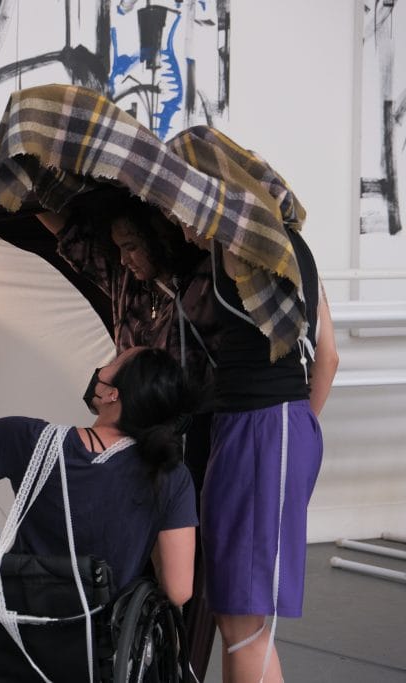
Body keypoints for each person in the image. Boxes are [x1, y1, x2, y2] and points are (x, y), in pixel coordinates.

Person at [39, 187, 221, 679]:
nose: (125, 257)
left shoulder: (197, 287)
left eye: (133, 245)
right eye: (117, 246)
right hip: (122, 446)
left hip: (180, 447)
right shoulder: (124, 280)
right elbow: (64, 228)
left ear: (160, 239)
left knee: (176, 577)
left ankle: (173, 664)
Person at [0, 346, 198, 608]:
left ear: (113, 395)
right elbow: (179, 590)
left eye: (113, 363)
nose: (101, 369)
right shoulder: (171, 475)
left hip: (19, 624)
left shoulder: (31, 439)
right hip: (103, 644)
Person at [193, 229, 338, 682]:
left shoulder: (245, 245)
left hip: (263, 428)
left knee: (245, 623)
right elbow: (327, 357)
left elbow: (326, 358)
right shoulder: (291, 250)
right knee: (233, 615)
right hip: (257, 427)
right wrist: (301, 427)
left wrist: (289, 428)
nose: (180, 223)